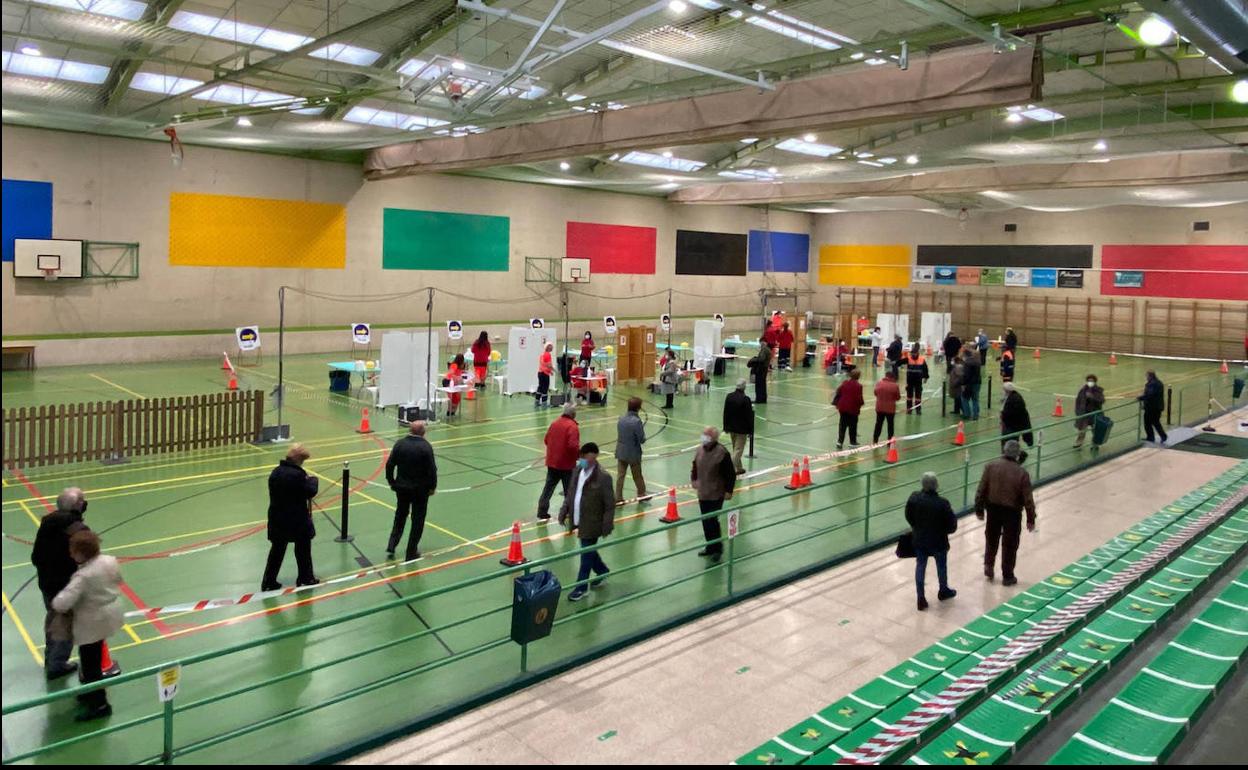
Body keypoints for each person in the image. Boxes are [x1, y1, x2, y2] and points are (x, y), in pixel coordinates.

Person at [51, 530, 122, 722]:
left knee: (90, 664)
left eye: (73, 551)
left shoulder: (83, 576)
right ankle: (90, 692)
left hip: (92, 622)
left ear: (81, 553)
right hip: (110, 614)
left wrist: (56, 601)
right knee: (94, 656)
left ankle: (100, 704)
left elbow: (62, 603)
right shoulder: (109, 560)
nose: (71, 554)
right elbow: (118, 580)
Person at [30, 487, 91, 680]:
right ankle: (57, 665)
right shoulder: (76, 529)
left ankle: (51, 658)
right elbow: (86, 558)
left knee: (53, 619)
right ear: (78, 505)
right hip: (63, 585)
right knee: (65, 624)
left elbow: (35, 556)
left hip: (46, 582)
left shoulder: (48, 522)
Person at [975, 440, 1037, 586]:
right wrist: (1030, 518)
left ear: (1004, 450)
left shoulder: (990, 467)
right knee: (1010, 544)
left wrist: (979, 509)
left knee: (991, 538)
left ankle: (988, 565)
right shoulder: (1022, 473)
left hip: (993, 509)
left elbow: (981, 489)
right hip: (1012, 512)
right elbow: (1028, 499)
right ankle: (1007, 576)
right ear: (1017, 455)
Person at [559, 443, 616, 601]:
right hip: (579, 519)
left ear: (595, 457)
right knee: (588, 551)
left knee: (585, 554)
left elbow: (610, 504)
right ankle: (603, 571)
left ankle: (582, 587)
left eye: (587, 458)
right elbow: (571, 493)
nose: (584, 460)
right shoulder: (577, 471)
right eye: (582, 457)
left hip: (593, 522)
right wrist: (564, 511)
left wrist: (607, 525)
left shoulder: (603, 477)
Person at [262, 443, 319, 589]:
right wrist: (313, 480)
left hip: (276, 517)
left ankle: (268, 581)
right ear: (298, 460)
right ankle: (305, 577)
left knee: (277, 550)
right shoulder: (298, 475)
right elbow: (309, 492)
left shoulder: (276, 472)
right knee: (303, 548)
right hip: (296, 519)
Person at [905, 473, 958, 611]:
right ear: (936, 486)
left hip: (920, 539)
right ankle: (943, 590)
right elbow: (952, 525)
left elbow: (908, 516)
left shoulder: (914, 498)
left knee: (920, 566)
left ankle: (920, 597)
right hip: (938, 541)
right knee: (941, 566)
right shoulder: (942, 503)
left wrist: (916, 527)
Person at [384, 422, 438, 560]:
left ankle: (392, 544)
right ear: (422, 432)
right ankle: (411, 551)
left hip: (402, 488)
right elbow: (432, 470)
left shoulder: (400, 444)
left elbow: (390, 464)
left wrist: (392, 482)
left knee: (400, 515)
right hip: (420, 491)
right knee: (417, 520)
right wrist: (432, 487)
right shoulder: (426, 447)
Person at [691, 427, 737, 563]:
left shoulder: (722, 453)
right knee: (705, 521)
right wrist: (694, 479)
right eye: (703, 434)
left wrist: (729, 490)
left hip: (716, 493)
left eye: (706, 435)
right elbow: (695, 466)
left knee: (712, 521)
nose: (703, 437)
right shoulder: (699, 450)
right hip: (703, 492)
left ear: (713, 438)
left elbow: (730, 474)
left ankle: (718, 548)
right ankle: (710, 546)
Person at [537, 405, 580, 521]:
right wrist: (577, 456)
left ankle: (542, 511)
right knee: (569, 490)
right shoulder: (572, 426)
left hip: (552, 463)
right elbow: (572, 446)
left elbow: (546, 440)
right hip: (566, 464)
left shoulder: (554, 423)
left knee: (548, 488)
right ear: (573, 415)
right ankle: (569, 512)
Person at [614, 397, 648, 503]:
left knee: (620, 476)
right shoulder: (637, 422)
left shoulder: (621, 419)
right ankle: (641, 494)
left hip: (621, 451)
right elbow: (641, 439)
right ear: (638, 408)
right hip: (633, 453)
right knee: (637, 475)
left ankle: (618, 497)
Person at [723, 379, 754, 474]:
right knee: (738, 450)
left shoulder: (729, 396)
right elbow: (749, 416)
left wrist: (725, 426)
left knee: (735, 449)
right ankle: (729, 470)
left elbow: (725, 413)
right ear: (744, 387)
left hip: (731, 428)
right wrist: (750, 430)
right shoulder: (746, 399)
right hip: (742, 430)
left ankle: (739, 468)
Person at [833, 369, 865, 449]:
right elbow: (859, 398)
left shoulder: (845, 383)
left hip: (843, 408)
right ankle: (852, 442)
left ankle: (840, 442)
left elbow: (838, 391)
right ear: (858, 376)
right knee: (852, 425)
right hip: (853, 409)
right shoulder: (859, 386)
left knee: (842, 425)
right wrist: (861, 403)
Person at [1073, 374, 1106, 449]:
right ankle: (1079, 443)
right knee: (1082, 430)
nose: (1090, 382)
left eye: (1092, 381)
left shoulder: (1098, 390)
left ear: (1095, 381)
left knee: (1095, 430)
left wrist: (1092, 397)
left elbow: (1102, 400)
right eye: (1089, 381)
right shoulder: (1083, 390)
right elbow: (1078, 401)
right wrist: (1077, 411)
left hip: (1095, 413)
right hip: (1084, 413)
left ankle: (1095, 443)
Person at [999, 382, 1033, 448]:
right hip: (1012, 425)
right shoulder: (1013, 396)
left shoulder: (1014, 399)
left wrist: (1003, 415)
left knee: (1009, 443)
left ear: (1007, 390)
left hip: (1011, 426)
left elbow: (1009, 413)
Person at [1139, 370, 1167, 445]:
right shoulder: (1159, 383)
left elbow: (1150, 395)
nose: (1146, 377)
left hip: (1152, 407)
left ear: (1150, 376)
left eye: (1147, 376)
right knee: (1156, 422)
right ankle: (1163, 436)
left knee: (1147, 422)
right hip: (1158, 407)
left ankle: (1151, 437)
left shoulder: (1152, 384)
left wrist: (1141, 398)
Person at [873, 370, 901, 442]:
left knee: (878, 424)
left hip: (879, 408)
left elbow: (875, 393)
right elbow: (898, 397)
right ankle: (890, 441)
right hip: (890, 409)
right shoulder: (895, 386)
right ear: (892, 377)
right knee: (890, 425)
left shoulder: (879, 383)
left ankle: (875, 439)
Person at [904, 343, 929, 414]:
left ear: (917, 353)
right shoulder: (908, 359)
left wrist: (926, 377)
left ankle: (918, 409)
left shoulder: (922, 360)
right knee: (909, 396)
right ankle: (909, 409)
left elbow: (925, 369)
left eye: (914, 354)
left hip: (918, 380)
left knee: (918, 396)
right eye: (912, 354)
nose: (913, 355)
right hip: (910, 380)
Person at [747, 338, 771, 405]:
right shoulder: (768, 349)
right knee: (762, 385)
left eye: (761, 343)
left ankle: (759, 399)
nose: (761, 344)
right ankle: (763, 399)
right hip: (764, 369)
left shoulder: (764, 350)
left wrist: (754, 359)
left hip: (761, 369)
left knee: (759, 385)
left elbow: (761, 359)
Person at [962, 348, 982, 420]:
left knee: (964, 398)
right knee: (975, 399)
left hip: (969, 383)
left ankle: (967, 414)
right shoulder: (978, 362)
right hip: (977, 383)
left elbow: (966, 375)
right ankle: (976, 415)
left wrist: (964, 384)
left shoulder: (967, 363)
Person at [535, 342, 554, 407]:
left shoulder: (542, 354)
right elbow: (549, 365)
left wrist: (550, 371)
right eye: (551, 346)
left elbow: (544, 364)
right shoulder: (548, 355)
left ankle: (537, 401)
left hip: (540, 373)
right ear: (548, 347)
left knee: (540, 387)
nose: (552, 347)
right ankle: (544, 403)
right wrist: (553, 370)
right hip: (544, 373)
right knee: (545, 388)